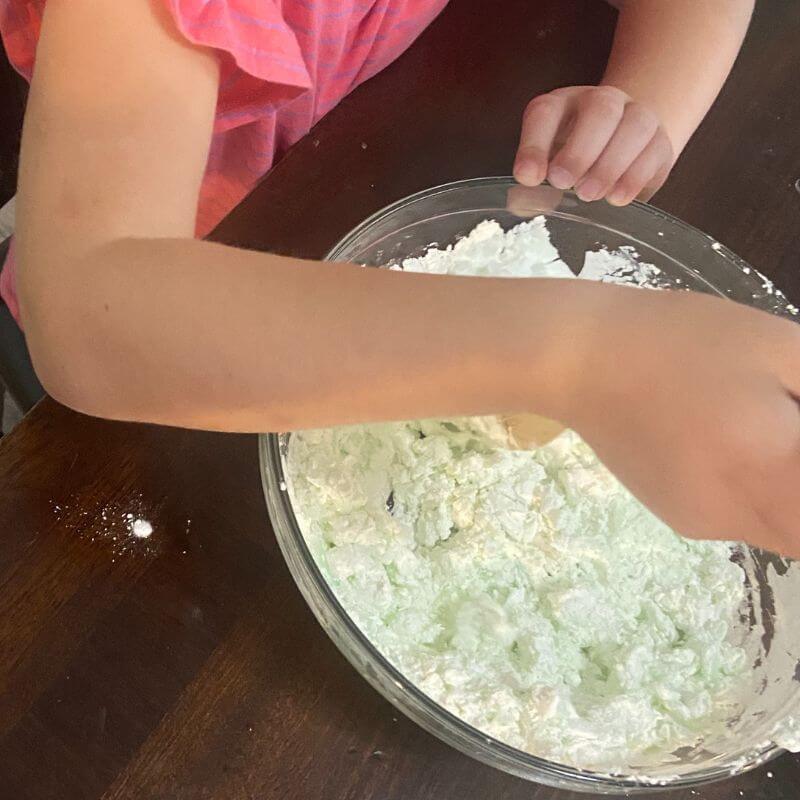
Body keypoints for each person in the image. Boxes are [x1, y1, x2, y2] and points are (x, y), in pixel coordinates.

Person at [3, 0, 798, 557]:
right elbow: (87, 313)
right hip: (174, 340)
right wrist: (582, 355)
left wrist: (641, 105)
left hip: (345, 180)